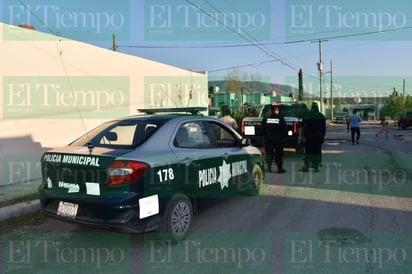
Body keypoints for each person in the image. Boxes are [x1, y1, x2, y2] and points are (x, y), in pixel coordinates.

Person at [300, 102, 326, 172]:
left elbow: (304, 126)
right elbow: (324, 129)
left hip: (309, 136)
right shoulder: (322, 116)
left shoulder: (308, 116)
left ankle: (306, 167)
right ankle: (316, 167)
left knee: (308, 152)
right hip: (318, 136)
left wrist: (303, 136)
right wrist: (322, 136)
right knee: (317, 151)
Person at [262, 105, 287, 173]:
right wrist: (284, 137)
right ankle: (279, 168)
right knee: (278, 154)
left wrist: (265, 137)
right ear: (276, 110)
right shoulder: (280, 118)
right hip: (278, 139)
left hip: (269, 139)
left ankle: (268, 168)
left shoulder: (266, 118)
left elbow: (262, 128)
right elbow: (284, 128)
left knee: (269, 153)